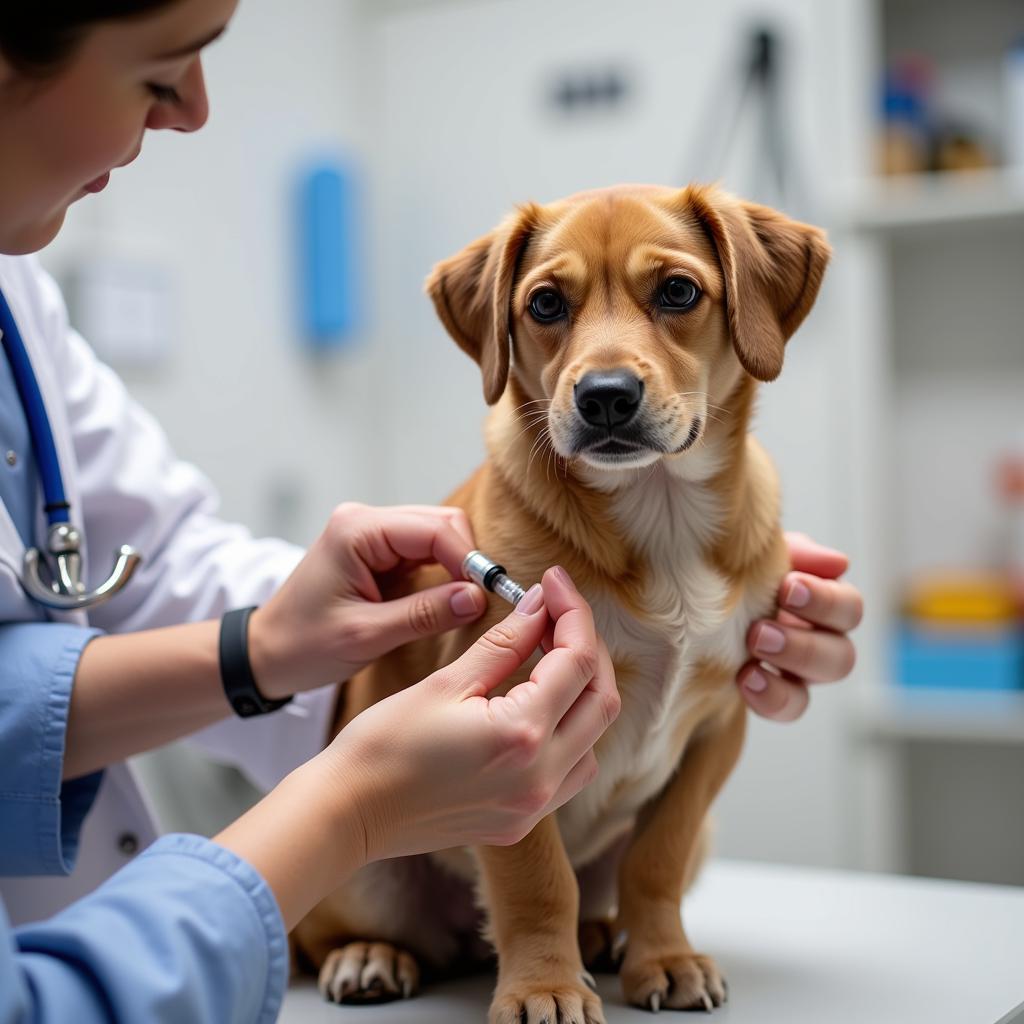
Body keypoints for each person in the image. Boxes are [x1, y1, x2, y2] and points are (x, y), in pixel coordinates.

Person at [0, 1, 864, 1021]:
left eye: (672, 294)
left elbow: (170, 558)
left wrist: (288, 641)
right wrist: (358, 794)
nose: (195, 108)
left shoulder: (22, 301)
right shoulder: (516, 520)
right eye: (162, 69)